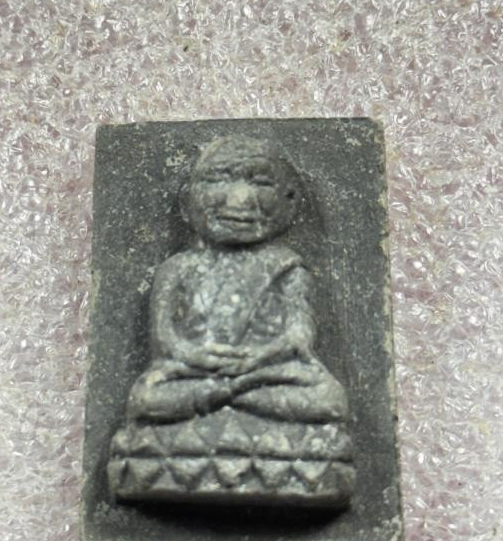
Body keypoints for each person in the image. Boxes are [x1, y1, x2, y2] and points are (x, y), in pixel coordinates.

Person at [127, 135, 348, 425]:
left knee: (329, 398)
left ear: (290, 202)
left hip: (264, 372)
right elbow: (165, 340)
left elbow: (299, 336)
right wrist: (200, 357)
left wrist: (257, 359)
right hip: (194, 371)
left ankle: (225, 399)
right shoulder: (177, 268)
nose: (239, 198)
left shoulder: (288, 267)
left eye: (261, 183)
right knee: (145, 397)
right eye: (218, 180)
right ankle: (235, 401)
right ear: (186, 202)